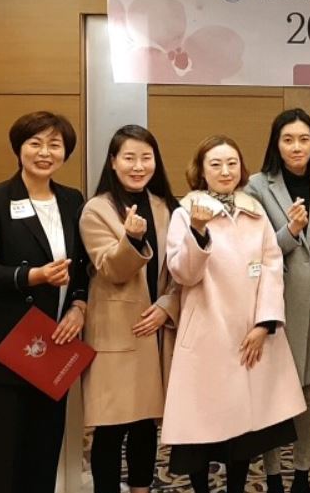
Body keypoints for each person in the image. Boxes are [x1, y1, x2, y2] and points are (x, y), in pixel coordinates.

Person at [162, 135, 306, 493]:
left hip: (248, 333)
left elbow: (272, 267)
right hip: (207, 334)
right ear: (201, 171)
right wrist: (197, 231)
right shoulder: (185, 213)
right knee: (200, 428)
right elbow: (183, 274)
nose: (225, 171)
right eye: (215, 164)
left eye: (232, 164)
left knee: (243, 432)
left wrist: (264, 324)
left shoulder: (254, 212)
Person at [0, 111, 88, 493]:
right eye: (35, 143)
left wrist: (78, 306)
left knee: (44, 451)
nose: (45, 152)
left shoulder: (72, 199)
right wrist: (34, 275)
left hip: (53, 344)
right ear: (19, 149)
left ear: (65, 152)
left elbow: (82, 268)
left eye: (55, 145)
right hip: (5, 347)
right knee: (5, 457)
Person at [245, 109, 310, 493]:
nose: (297, 147)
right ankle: (272, 476)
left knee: (307, 391)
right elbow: (254, 250)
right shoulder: (257, 186)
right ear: (276, 144)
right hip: (274, 304)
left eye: (304, 139)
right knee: (272, 391)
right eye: (288, 140)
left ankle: (302, 472)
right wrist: (291, 230)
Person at [80, 125, 181, 493]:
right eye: (129, 158)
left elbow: (180, 271)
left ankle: (141, 489)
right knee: (111, 425)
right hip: (115, 330)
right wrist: (132, 239)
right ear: (113, 161)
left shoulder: (167, 207)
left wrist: (168, 305)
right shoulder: (97, 209)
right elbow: (111, 268)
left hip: (155, 329)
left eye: (146, 158)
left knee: (145, 423)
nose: (138, 166)